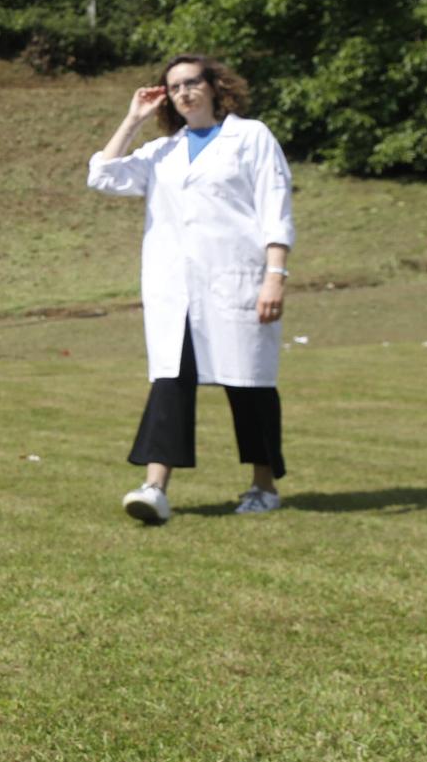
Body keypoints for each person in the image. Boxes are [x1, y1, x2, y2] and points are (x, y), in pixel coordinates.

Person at [88, 54, 295, 525]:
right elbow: (101, 175)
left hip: (236, 280)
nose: (184, 92)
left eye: (192, 82)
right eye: (174, 86)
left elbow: (274, 205)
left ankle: (264, 485)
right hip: (176, 290)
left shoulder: (251, 137)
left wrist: (274, 276)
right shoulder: (164, 152)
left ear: (215, 86)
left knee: (249, 386)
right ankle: (154, 487)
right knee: (171, 382)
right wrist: (133, 119)